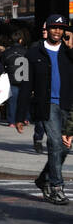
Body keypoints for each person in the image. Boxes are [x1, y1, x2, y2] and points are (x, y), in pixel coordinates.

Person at [31, 15, 73, 204]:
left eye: (61, 28)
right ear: (47, 28)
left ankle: (43, 179)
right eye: (54, 27)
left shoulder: (69, 52)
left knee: (64, 148)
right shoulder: (35, 51)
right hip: (48, 105)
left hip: (67, 104)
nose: (57, 31)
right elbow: (25, 82)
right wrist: (20, 113)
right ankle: (56, 187)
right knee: (55, 143)